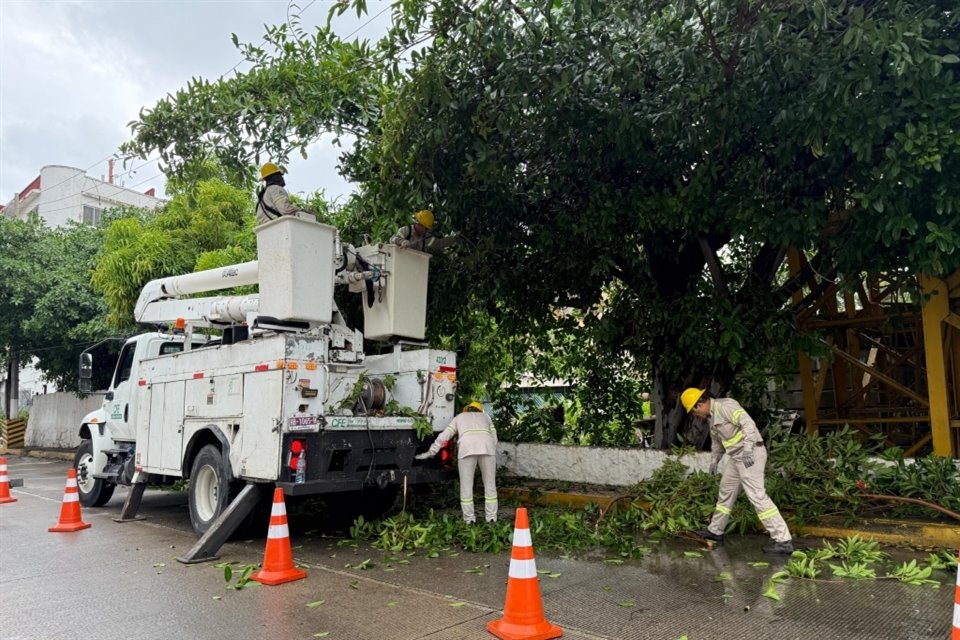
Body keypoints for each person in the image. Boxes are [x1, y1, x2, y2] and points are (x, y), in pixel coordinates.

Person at [680, 387, 794, 554]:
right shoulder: (712, 418)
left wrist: (748, 449)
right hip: (736, 458)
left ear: (699, 404)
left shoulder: (725, 407)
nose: (695, 415)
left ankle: (782, 539)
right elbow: (716, 441)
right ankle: (715, 531)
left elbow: (747, 423)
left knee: (757, 496)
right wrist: (714, 460)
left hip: (750, 454)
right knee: (726, 491)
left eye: (693, 411)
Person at [415, 401, 498, 523]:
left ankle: (469, 520)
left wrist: (431, 452)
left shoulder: (459, 417)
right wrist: (489, 448)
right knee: (490, 485)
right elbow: (494, 439)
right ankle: (491, 518)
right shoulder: (486, 417)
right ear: (480, 410)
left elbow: (444, 436)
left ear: (466, 410)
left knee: (466, 486)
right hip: (487, 448)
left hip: (466, 449)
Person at [390, 209, 457, 252]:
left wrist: (455, 238)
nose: (426, 231)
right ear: (419, 224)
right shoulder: (406, 230)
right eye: (425, 228)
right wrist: (402, 241)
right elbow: (392, 239)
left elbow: (439, 244)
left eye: (427, 229)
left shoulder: (426, 237)